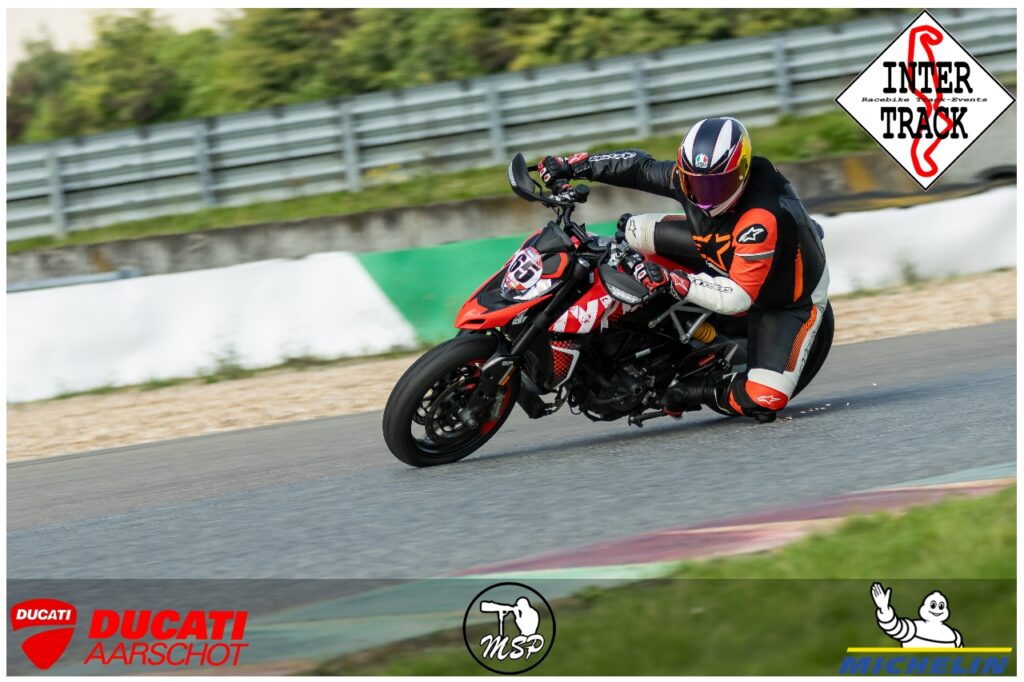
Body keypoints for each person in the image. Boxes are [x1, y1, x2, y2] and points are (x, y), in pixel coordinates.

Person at [537, 116, 829, 422]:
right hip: (719, 248)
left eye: (718, 184)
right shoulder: (690, 178)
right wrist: (574, 166)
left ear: (742, 173)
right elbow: (640, 167)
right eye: (696, 182)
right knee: (632, 231)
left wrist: (672, 280)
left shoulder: (761, 219)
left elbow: (738, 298)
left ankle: (692, 391)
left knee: (765, 398)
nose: (706, 193)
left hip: (783, 301)